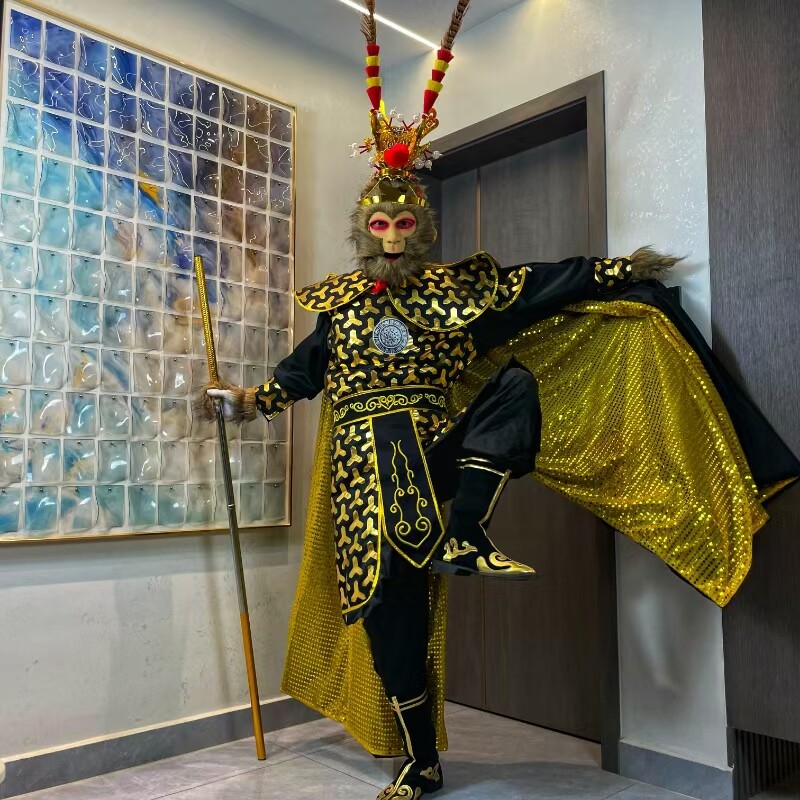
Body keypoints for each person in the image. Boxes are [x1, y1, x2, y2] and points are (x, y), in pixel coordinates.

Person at [194, 2, 800, 797]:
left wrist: (616, 272)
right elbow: (299, 375)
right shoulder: (339, 307)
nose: (393, 233)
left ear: (420, 227)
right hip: (361, 481)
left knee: (516, 383)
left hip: (431, 453)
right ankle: (421, 761)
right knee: (388, 621)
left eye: (404, 220)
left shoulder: (456, 296)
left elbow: (536, 286)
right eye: (380, 221)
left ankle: (467, 527)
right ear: (364, 228)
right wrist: (243, 402)